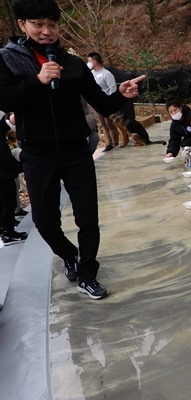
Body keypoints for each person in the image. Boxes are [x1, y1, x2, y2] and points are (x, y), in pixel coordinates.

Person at [0, 0, 144, 299]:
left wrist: (120, 94)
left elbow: (101, 104)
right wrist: (38, 81)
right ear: (22, 25)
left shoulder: (74, 63)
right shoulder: (7, 60)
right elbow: (6, 100)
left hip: (76, 152)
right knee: (44, 221)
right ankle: (70, 255)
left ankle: (88, 273)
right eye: (38, 24)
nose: (46, 31)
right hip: (37, 154)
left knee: (88, 218)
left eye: (52, 24)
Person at [0, 111, 27, 244]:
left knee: (6, 203)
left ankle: (6, 230)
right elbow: (4, 154)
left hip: (5, 170)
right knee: (8, 203)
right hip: (3, 172)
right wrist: (18, 167)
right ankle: (8, 233)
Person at [87, 52, 119, 151]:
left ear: (95, 62)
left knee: (110, 124)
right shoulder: (91, 74)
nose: (88, 63)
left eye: (89, 61)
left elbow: (112, 89)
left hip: (107, 103)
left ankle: (115, 143)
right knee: (103, 125)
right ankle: (108, 143)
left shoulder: (107, 74)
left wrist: (109, 101)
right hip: (97, 104)